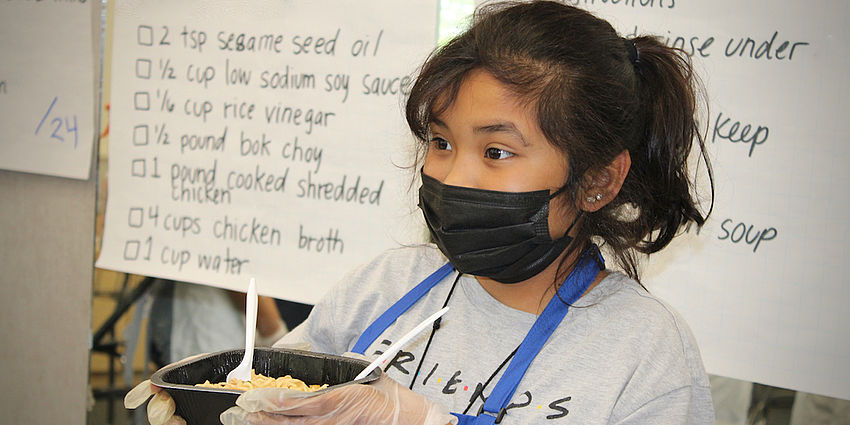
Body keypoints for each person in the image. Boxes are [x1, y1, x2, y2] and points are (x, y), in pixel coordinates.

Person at [125, 1, 716, 423]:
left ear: (596, 180)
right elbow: (278, 393)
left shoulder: (644, 353)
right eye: (440, 142)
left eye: (497, 152)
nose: (453, 175)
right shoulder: (385, 287)